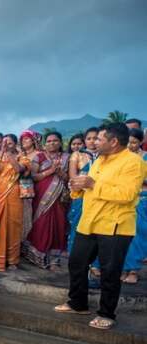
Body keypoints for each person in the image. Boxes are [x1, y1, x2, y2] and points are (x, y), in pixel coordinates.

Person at [56, 123, 144, 330]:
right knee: (76, 263)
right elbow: (89, 187)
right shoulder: (99, 161)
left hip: (115, 225)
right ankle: (78, 303)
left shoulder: (133, 162)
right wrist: (77, 187)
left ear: (113, 142)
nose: (94, 142)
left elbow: (127, 195)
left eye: (99, 139)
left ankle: (106, 313)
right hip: (89, 222)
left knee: (110, 271)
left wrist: (92, 185)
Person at [23, 131, 69, 270]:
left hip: (59, 197)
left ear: (60, 143)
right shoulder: (39, 156)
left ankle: (54, 259)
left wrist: (59, 172)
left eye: (55, 140)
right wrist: (50, 171)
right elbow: (34, 177)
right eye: (48, 141)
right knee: (40, 223)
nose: (51, 143)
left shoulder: (68, 157)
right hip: (41, 195)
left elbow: (69, 179)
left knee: (58, 224)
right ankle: (37, 254)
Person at [0, 134, 29, 272]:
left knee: (13, 225)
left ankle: (12, 260)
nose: (6, 145)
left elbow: (19, 169)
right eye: (4, 143)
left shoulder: (22, 157)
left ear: (15, 144)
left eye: (9, 143)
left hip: (13, 194)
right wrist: (1, 153)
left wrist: (8, 154)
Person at [119, 128, 147, 284]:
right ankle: (123, 268)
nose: (130, 145)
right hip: (123, 200)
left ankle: (134, 271)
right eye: (128, 142)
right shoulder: (122, 158)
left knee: (138, 236)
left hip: (142, 200)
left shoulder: (145, 157)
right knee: (123, 236)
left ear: (141, 142)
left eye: (134, 142)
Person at [67, 128, 97, 254]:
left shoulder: (105, 156)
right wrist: (85, 185)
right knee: (78, 225)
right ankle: (76, 256)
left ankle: (94, 262)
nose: (92, 141)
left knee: (96, 228)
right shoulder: (78, 155)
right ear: (85, 141)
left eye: (96, 138)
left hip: (99, 195)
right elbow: (73, 177)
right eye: (89, 138)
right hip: (81, 195)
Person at [18, 130, 42, 240]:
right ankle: (22, 240)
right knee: (22, 215)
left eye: (26, 138)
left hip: (37, 187)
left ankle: (31, 239)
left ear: (33, 140)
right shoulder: (20, 155)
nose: (24, 141)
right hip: (20, 189)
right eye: (22, 139)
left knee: (32, 214)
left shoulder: (39, 154)